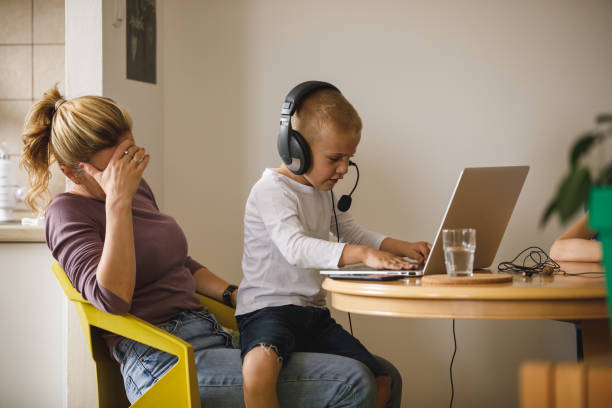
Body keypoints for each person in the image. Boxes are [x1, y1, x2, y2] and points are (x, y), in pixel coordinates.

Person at [21, 85, 399, 407]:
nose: (133, 168)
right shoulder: (67, 213)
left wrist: (236, 294)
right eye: (118, 164)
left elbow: (176, 262)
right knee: (352, 381)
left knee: (387, 374)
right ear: (73, 171)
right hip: (161, 361)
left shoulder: (136, 190)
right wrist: (117, 202)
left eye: (131, 153)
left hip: (208, 334)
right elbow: (113, 300)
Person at [236, 82, 429, 408]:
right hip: (267, 310)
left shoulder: (321, 190)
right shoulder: (272, 190)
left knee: (380, 379)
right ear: (295, 149)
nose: (343, 169)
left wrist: (401, 247)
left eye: (349, 159)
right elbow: (295, 247)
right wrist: (363, 256)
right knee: (257, 369)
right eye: (335, 158)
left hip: (312, 314)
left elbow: (350, 232)